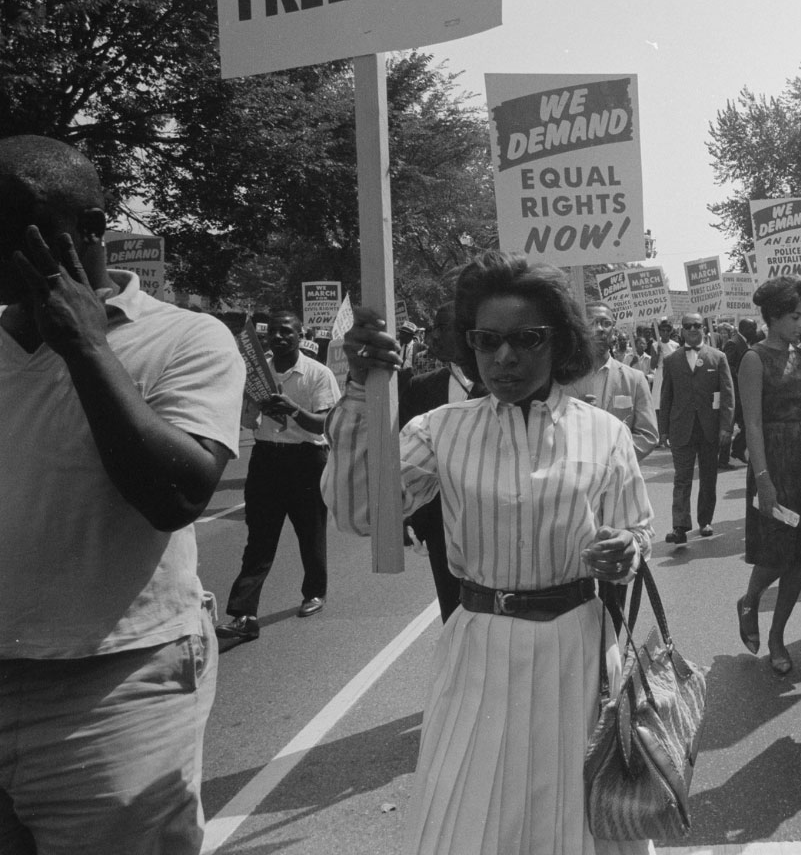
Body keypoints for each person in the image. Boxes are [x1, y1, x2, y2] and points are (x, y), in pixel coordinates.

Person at [324, 251, 653, 855]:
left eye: (526, 339)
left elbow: (635, 530)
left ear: (560, 342)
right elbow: (360, 512)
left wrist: (623, 550)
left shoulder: (605, 432)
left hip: (577, 649)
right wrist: (357, 392)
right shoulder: (439, 429)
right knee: (467, 817)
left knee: (575, 820)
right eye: (486, 340)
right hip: (479, 646)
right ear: (467, 343)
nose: (504, 357)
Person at [0, 135, 244, 853]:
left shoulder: (187, 340)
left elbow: (175, 495)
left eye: (11, 229)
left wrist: (85, 347)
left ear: (91, 231)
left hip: (114, 689)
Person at [216, 309, 340, 640]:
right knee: (259, 538)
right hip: (266, 459)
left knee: (310, 533)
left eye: (287, 332)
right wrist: (254, 408)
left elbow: (326, 424)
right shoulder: (257, 375)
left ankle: (315, 592)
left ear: (301, 335)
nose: (280, 337)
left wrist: (292, 411)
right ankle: (244, 614)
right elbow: (247, 424)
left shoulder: (318, 374)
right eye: (273, 332)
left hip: (307, 461)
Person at [736, 276, 801, 676]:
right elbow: (752, 425)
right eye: (794, 316)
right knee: (776, 551)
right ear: (772, 317)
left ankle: (776, 636)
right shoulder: (754, 359)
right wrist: (764, 479)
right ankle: (750, 599)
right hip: (773, 462)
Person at [398, 301, 484, 622]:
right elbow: (403, 460)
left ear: (466, 332)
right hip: (440, 526)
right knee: (454, 617)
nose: (433, 337)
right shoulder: (421, 387)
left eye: (442, 328)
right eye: (431, 329)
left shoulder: (501, 386)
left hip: (491, 521)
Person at [659, 312, 736, 543]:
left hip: (709, 428)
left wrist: (726, 427)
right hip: (681, 427)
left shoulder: (718, 357)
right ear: (681, 330)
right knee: (682, 477)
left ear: (704, 329)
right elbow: (666, 397)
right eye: (688, 326)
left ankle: (705, 521)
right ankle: (680, 526)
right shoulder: (671, 360)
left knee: (708, 477)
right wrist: (663, 430)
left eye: (697, 325)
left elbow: (728, 395)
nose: (693, 329)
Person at [558, 299, 658, 459]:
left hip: (619, 476)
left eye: (606, 323)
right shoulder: (560, 378)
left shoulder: (634, 379)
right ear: (579, 327)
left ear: (614, 328)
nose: (600, 329)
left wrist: (610, 459)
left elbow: (647, 436)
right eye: (592, 322)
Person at [720, 317, 755, 467]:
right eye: (752, 328)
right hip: (734, 393)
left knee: (747, 424)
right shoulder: (733, 343)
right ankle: (723, 459)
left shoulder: (743, 342)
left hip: (742, 392)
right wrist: (742, 375)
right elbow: (727, 367)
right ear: (745, 328)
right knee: (729, 425)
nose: (755, 331)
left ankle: (738, 449)